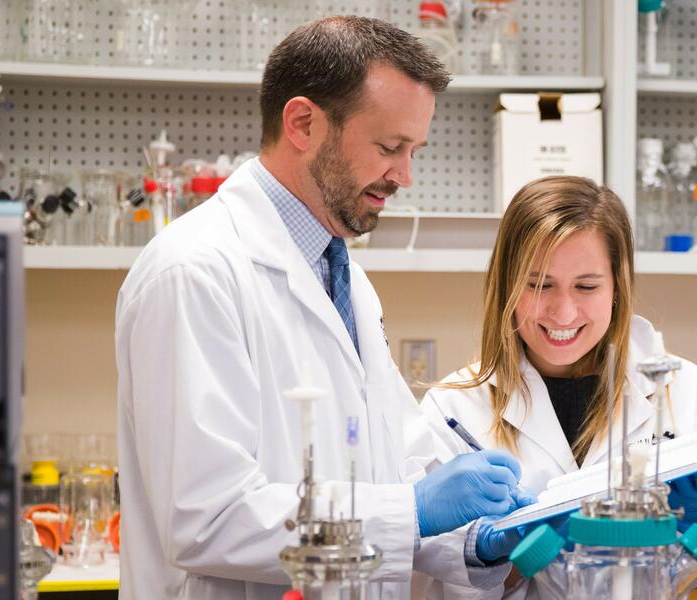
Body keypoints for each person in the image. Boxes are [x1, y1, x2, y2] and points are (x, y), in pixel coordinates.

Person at [116, 17, 531, 599]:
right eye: (390, 147)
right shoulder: (194, 272)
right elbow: (206, 516)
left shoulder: (346, 281)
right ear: (304, 123)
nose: (404, 176)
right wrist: (413, 508)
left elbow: (388, 470)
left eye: (415, 151)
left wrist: (477, 538)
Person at [408, 176, 697, 598]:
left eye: (586, 286)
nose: (563, 312)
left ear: (617, 288)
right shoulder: (455, 407)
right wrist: (501, 551)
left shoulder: (676, 387)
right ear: (507, 286)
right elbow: (420, 564)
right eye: (538, 285)